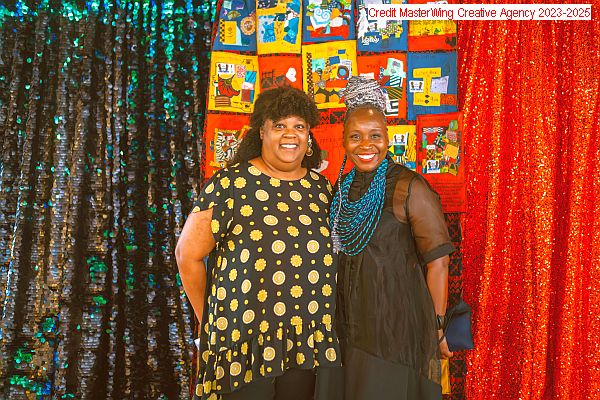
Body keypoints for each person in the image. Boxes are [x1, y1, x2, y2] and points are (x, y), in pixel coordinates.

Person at [175, 86, 341, 400]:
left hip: (304, 343)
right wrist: (210, 321)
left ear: (308, 137)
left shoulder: (321, 189)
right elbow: (187, 255)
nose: (290, 134)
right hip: (243, 343)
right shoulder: (230, 184)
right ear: (261, 131)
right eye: (279, 125)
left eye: (299, 126)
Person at [331, 76, 454, 400]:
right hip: (349, 327)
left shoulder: (409, 187)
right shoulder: (340, 190)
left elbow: (438, 262)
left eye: (375, 135)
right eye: (355, 136)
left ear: (387, 137)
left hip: (395, 330)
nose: (366, 145)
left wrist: (437, 326)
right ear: (343, 140)